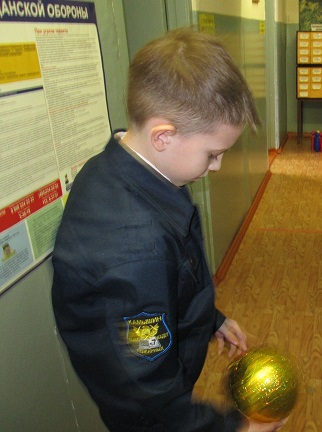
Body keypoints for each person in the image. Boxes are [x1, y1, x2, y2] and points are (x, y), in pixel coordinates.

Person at [51, 28, 285, 432]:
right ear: (163, 136)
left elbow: (169, 279)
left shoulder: (122, 167)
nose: (216, 167)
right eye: (213, 154)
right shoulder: (134, 249)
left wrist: (209, 318)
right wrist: (236, 429)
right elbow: (149, 401)